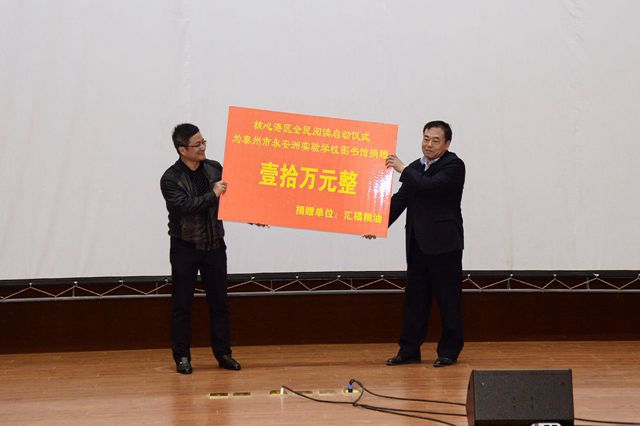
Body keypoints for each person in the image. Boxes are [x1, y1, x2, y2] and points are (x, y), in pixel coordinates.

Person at [382, 120, 465, 367]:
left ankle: (449, 351)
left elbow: (430, 186)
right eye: (426, 138)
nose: (428, 144)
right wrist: (375, 224)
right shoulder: (417, 167)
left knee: (448, 300)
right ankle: (409, 350)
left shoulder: (454, 166)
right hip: (418, 245)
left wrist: (402, 168)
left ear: (447, 144)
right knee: (415, 300)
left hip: (444, 246)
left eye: (435, 140)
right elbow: (400, 201)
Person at [160, 123, 241, 374]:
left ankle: (223, 353)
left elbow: (232, 200)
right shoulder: (171, 178)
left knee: (220, 303)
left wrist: (252, 215)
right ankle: (182, 356)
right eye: (197, 145)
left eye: (204, 142)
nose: (203, 147)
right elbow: (185, 206)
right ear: (182, 149)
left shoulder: (214, 168)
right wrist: (213, 194)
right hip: (185, 247)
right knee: (182, 304)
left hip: (214, 245)